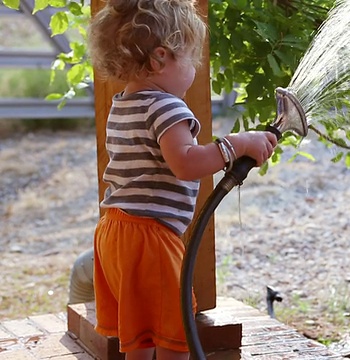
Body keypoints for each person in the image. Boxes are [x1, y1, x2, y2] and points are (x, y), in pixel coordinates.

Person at [87, 0, 278, 359]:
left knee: (141, 338)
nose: (196, 67)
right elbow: (186, 163)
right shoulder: (167, 106)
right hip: (150, 237)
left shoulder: (122, 103)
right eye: (190, 58)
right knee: (174, 339)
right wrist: (236, 145)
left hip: (114, 231)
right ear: (160, 59)